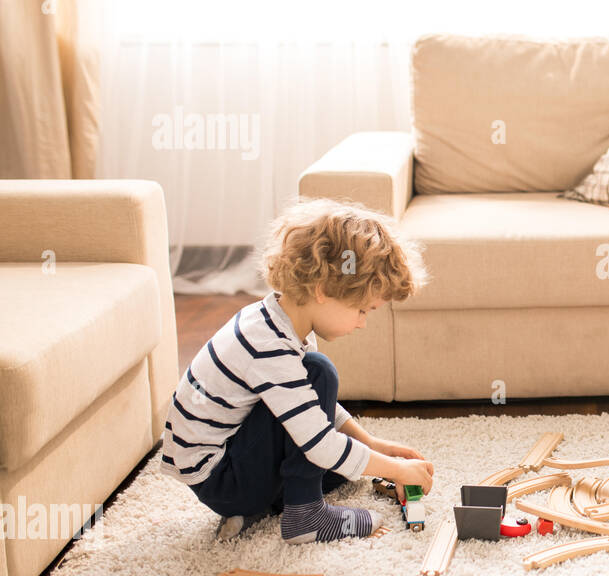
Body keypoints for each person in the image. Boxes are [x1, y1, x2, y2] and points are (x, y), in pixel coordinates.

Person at [160, 198, 434, 543]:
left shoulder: (283, 320)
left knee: (346, 465)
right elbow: (316, 436)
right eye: (363, 310)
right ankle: (306, 517)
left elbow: (307, 407)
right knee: (321, 383)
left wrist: (373, 445)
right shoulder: (267, 343)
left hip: (232, 463)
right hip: (222, 480)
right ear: (323, 291)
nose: (363, 323)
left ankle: (268, 507)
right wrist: (396, 470)